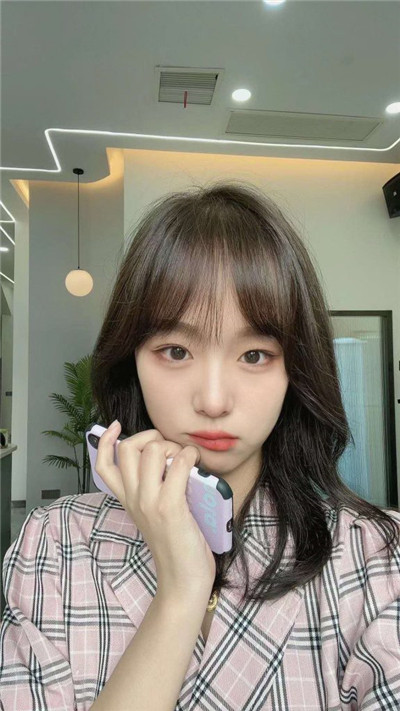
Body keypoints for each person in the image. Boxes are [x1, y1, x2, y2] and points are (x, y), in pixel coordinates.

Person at [1, 181, 399, 711]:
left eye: (254, 355)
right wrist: (182, 590)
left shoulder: (376, 554)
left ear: (296, 369)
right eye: (175, 350)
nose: (213, 401)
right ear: (131, 361)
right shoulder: (53, 541)